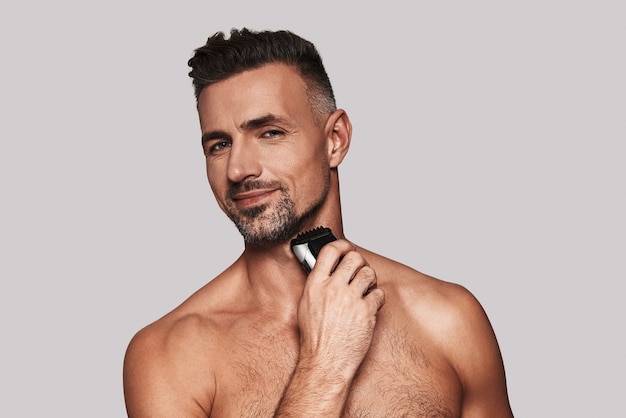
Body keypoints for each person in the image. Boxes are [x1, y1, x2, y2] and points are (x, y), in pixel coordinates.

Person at [123, 28, 514, 417]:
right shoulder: (168, 355)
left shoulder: (448, 319)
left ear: (335, 140)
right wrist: (324, 366)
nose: (239, 168)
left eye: (269, 133)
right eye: (219, 145)